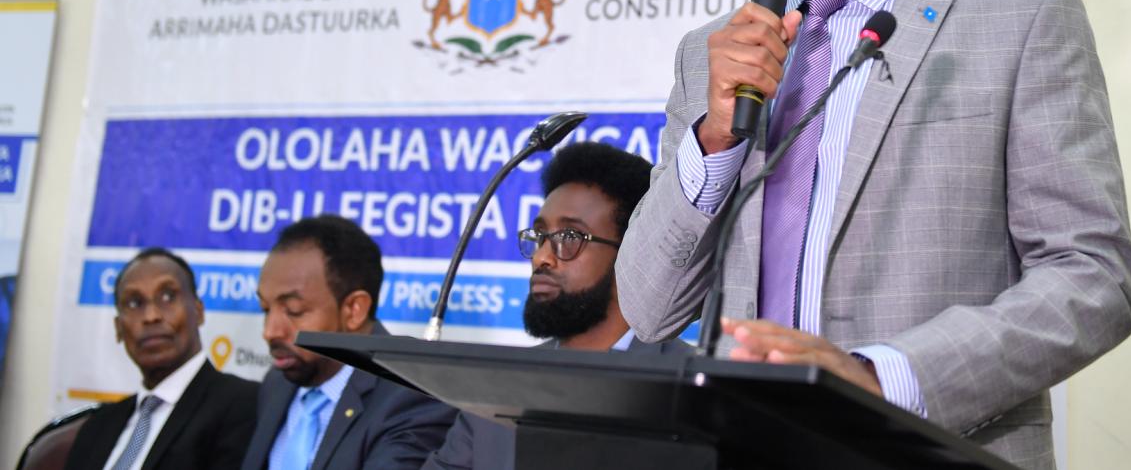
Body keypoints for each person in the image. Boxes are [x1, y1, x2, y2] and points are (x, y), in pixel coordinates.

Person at [615, 0, 1131, 470]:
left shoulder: (1018, 22)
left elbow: (1094, 277)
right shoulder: (713, 56)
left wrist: (877, 378)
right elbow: (649, 307)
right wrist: (714, 137)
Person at [422, 141, 687, 470]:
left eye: (570, 237)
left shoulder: (688, 389)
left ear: (631, 251)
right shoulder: (496, 388)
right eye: (540, 236)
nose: (541, 257)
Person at [241, 216, 455, 470]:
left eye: (294, 310)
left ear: (354, 309)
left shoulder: (413, 396)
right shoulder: (277, 382)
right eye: (265, 309)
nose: (270, 331)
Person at [64, 248, 257, 470]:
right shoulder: (97, 427)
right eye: (135, 303)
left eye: (167, 297)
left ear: (198, 311)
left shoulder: (243, 404)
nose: (151, 316)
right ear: (118, 328)